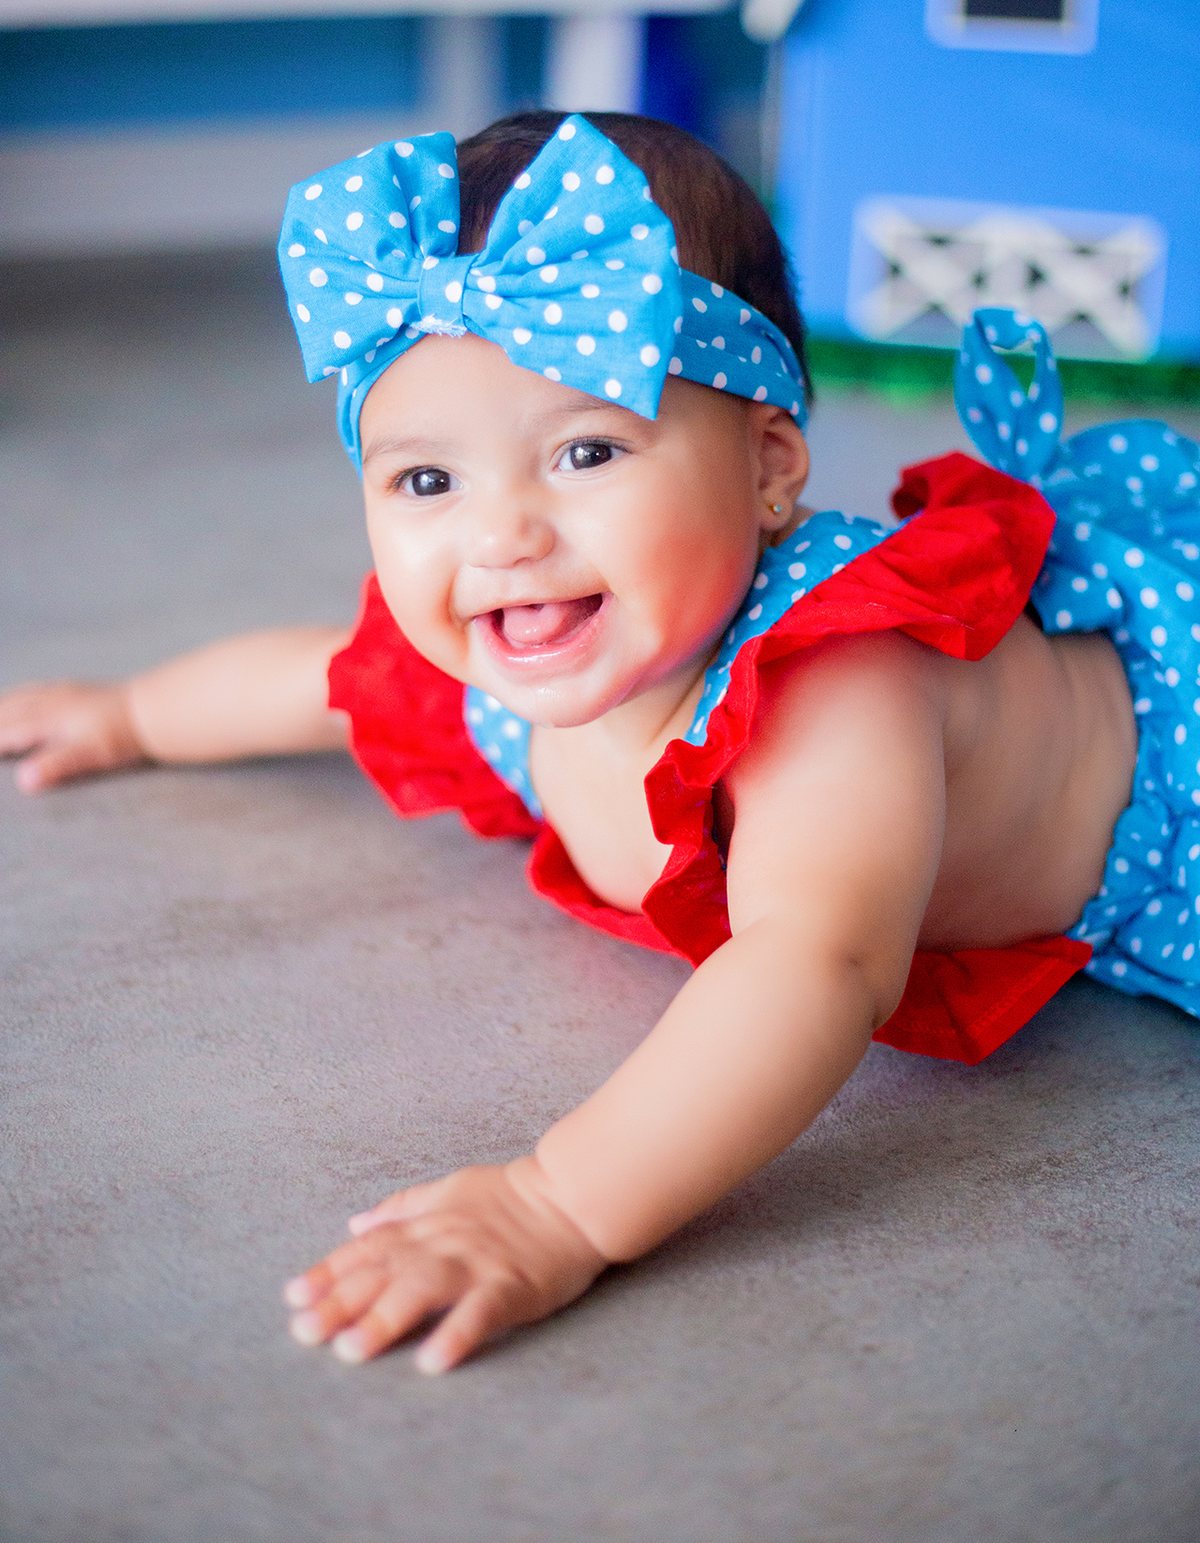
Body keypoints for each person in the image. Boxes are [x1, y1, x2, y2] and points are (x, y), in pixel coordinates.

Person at [3, 111, 1198, 1378]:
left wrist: (555, 1205)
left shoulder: (840, 674)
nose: (502, 536)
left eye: (586, 452)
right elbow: (316, 677)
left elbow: (818, 963)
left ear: (770, 467)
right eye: (426, 483)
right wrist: (128, 715)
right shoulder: (522, 663)